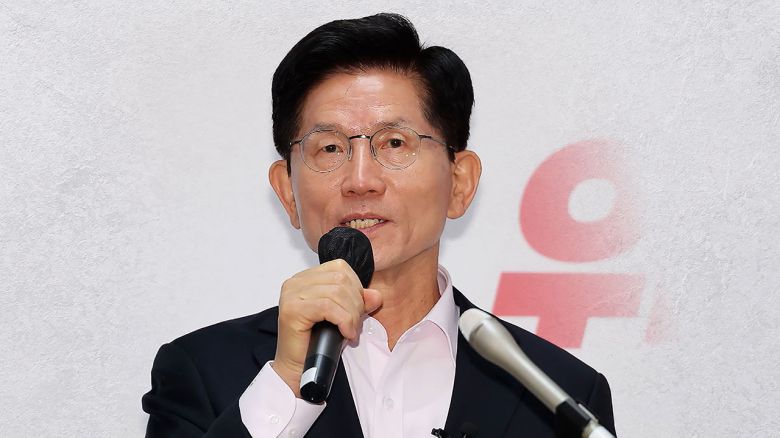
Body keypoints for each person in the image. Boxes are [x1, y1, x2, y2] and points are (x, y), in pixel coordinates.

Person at [142, 13, 616, 437]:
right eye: (330, 148)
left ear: (460, 182)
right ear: (287, 192)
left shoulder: (563, 396)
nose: (360, 180)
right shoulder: (201, 373)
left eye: (394, 143)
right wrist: (285, 383)